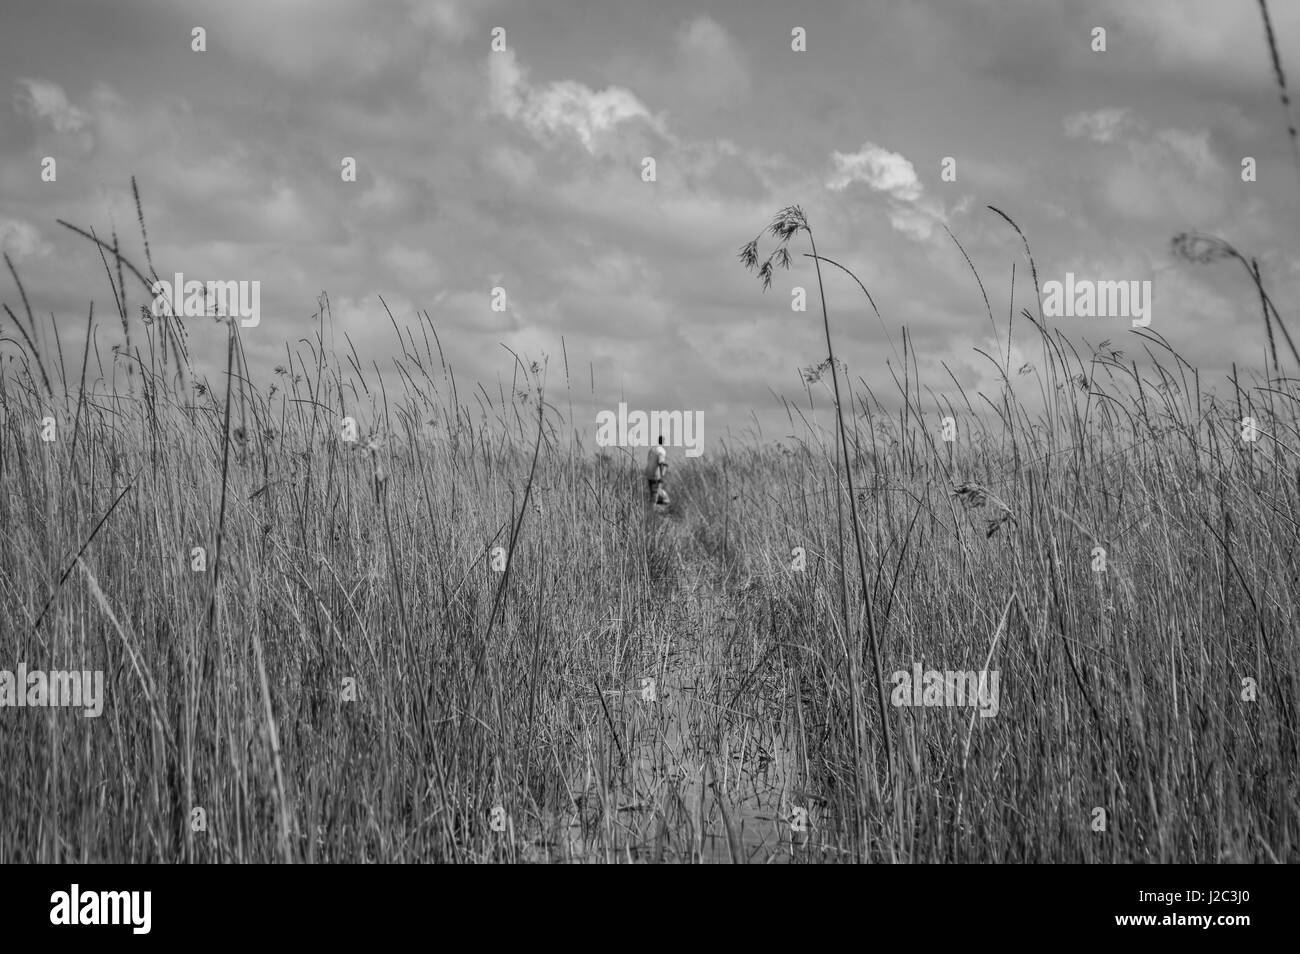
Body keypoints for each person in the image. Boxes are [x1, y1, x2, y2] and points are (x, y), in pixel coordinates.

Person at [645, 436, 670, 507]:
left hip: (648, 473)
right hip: (656, 476)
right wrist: (662, 475)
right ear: (663, 441)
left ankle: (651, 511)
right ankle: (652, 513)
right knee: (654, 497)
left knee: (652, 494)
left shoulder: (652, 449)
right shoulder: (661, 451)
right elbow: (660, 463)